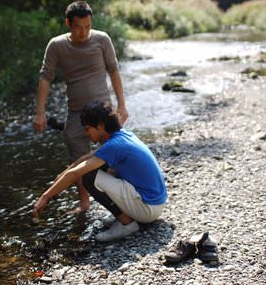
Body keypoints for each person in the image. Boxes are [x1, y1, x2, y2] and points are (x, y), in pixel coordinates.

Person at [33, 1, 128, 213]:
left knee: (117, 153)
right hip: (76, 112)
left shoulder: (102, 39)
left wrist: (121, 104)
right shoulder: (56, 45)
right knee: (78, 161)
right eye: (78, 27)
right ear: (68, 23)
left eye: (87, 26)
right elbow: (45, 78)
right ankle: (85, 204)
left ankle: (125, 200)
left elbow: (113, 71)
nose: (84, 32)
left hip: (103, 110)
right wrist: (40, 112)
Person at [32, 101, 167, 242]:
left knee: (89, 175)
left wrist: (45, 197)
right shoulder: (122, 135)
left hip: (147, 209)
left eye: (87, 128)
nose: (86, 133)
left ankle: (126, 223)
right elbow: (87, 157)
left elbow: (76, 173)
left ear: (100, 125)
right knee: (98, 166)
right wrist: (61, 175)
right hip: (155, 202)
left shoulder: (114, 146)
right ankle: (126, 213)